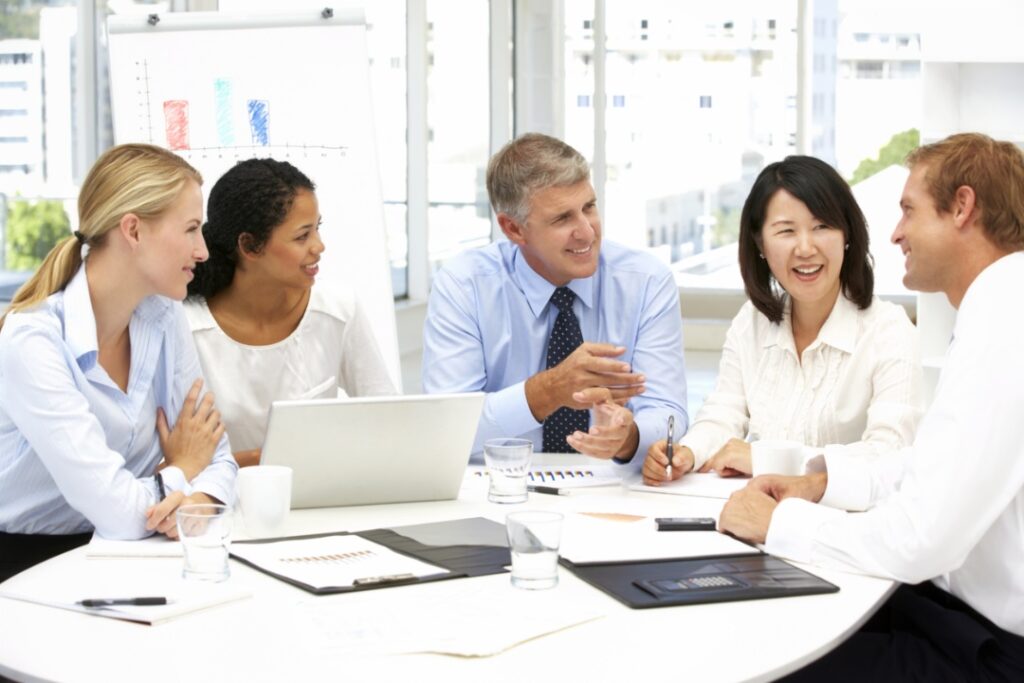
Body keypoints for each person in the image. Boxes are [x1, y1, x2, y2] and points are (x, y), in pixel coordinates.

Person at [719, 133, 1024, 681]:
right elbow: (933, 465)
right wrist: (822, 483)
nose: (896, 232)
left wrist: (780, 522)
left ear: (962, 208)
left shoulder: (1005, 325)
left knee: (760, 660)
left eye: (909, 210)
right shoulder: (998, 306)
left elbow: (919, 541)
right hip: (951, 612)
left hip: (990, 650)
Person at [0, 143, 237, 582]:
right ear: (133, 230)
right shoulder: (32, 340)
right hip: (26, 568)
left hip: (139, 554)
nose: (202, 251)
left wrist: (193, 499)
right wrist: (182, 468)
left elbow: (220, 461)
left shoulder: (166, 318)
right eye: (190, 229)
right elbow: (117, 511)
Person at [642, 156, 922, 485]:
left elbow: (890, 452)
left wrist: (767, 460)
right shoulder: (752, 322)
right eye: (786, 231)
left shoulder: (889, 330)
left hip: (844, 525)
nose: (805, 248)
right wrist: (686, 452)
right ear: (760, 243)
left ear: (847, 234)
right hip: (755, 513)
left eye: (821, 227)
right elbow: (725, 413)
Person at [423, 132, 687, 464]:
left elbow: (668, 412)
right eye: (563, 218)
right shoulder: (465, 285)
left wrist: (627, 439)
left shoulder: (646, 281)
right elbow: (446, 429)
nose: (588, 232)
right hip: (498, 487)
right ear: (514, 229)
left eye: (589, 207)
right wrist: (549, 391)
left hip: (611, 490)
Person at [185, 158, 395, 468]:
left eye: (317, 229)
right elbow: (174, 465)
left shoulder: (338, 309)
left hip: (320, 502)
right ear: (250, 246)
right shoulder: (187, 326)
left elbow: (389, 422)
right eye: (302, 236)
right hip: (221, 507)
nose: (319, 246)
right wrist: (266, 460)